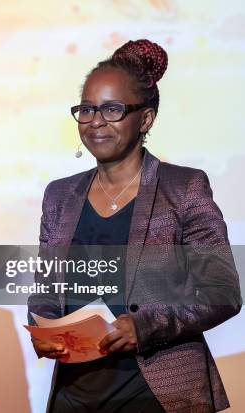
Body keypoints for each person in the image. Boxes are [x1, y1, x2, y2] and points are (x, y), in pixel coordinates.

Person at [27, 39, 241, 412]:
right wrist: (42, 328)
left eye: (112, 109)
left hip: (158, 395)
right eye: (88, 109)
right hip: (75, 396)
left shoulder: (184, 188)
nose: (96, 121)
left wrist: (144, 327)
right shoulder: (59, 196)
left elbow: (222, 292)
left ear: (145, 119)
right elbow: (46, 287)